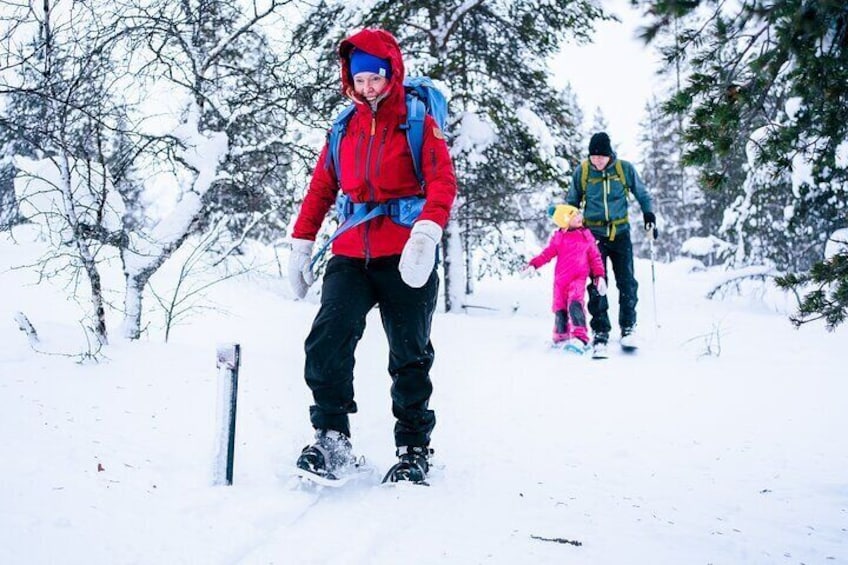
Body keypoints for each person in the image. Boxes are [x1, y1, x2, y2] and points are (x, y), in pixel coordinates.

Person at [286, 28, 457, 484]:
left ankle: (414, 447)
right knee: (327, 339)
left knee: (409, 353)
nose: (366, 88)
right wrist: (302, 241)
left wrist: (428, 230)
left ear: (391, 74)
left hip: (407, 253)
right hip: (351, 252)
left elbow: (443, 181)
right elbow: (322, 186)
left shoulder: (418, 121)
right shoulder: (344, 126)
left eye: (374, 79)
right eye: (358, 81)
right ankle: (331, 439)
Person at [566, 132, 656, 358]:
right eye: (593, 156)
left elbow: (642, 193)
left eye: (601, 157)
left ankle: (628, 327)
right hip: (593, 237)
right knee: (598, 283)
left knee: (627, 282)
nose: (596, 160)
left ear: (609, 155)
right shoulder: (583, 172)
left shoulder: (623, 170)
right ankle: (600, 331)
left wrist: (649, 215)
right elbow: (571, 201)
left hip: (620, 233)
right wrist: (569, 222)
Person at [524, 204, 606, 354]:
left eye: (578, 214)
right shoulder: (559, 237)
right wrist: (533, 265)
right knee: (559, 307)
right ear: (565, 221)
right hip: (560, 280)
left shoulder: (586, 236)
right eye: (574, 215)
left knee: (575, 304)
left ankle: (580, 337)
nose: (579, 217)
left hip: (578, 278)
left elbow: (595, 257)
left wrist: (599, 276)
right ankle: (561, 335)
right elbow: (547, 254)